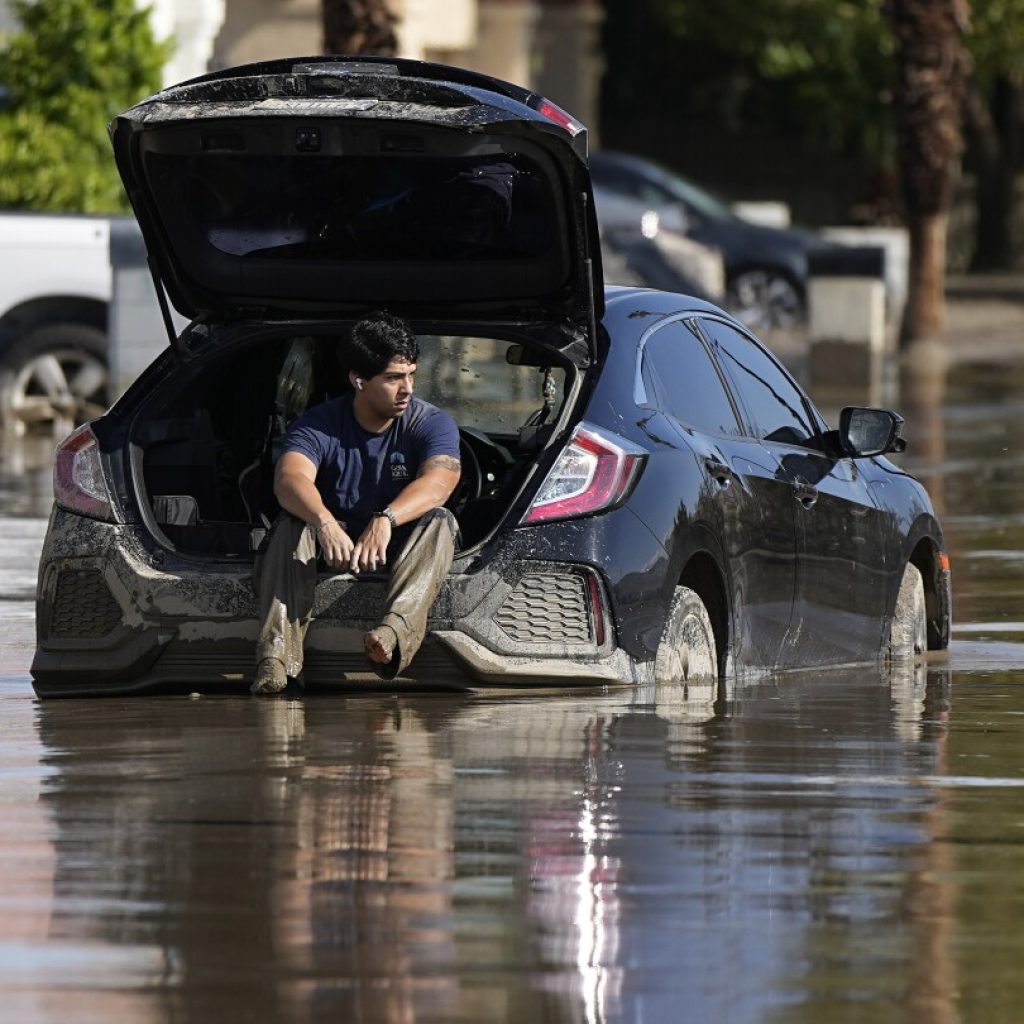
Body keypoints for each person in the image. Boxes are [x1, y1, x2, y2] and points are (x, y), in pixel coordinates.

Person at [251, 311, 461, 695]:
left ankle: (393, 633)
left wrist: (387, 519)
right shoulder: (320, 425)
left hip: (400, 542)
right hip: (335, 541)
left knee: (440, 520)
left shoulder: (430, 422)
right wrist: (324, 522)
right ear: (358, 379)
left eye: (411, 375)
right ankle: (276, 661)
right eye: (394, 378)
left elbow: (440, 481)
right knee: (290, 525)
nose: (407, 389)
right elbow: (289, 479)